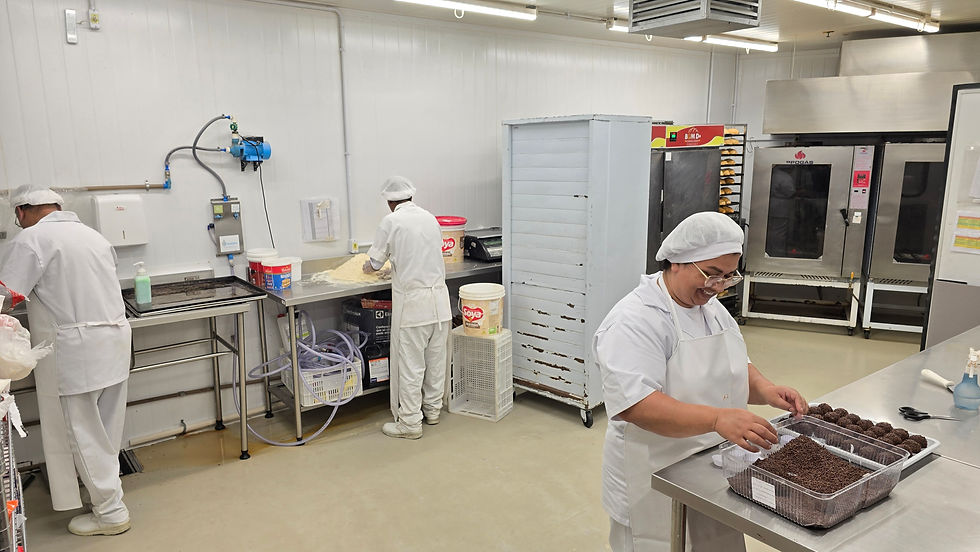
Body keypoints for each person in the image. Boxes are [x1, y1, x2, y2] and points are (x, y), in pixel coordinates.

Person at [595, 211, 807, 552]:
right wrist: (717, 419)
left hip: (711, 466)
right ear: (676, 261)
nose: (718, 286)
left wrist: (766, 389)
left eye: (728, 276)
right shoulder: (635, 321)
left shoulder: (710, 307)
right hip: (654, 473)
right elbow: (637, 405)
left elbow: (734, 366)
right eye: (711, 274)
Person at [0, 186, 132, 536]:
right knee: (105, 430)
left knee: (83, 433)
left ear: (23, 212)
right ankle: (105, 496)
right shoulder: (93, 236)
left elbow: (6, 296)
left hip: (78, 348)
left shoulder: (32, 240)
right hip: (115, 340)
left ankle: (110, 512)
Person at [362, 176, 451, 439]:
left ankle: (410, 423)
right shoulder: (430, 218)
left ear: (390, 201)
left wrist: (369, 267)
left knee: (411, 366)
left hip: (414, 307)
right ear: (410, 196)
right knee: (435, 361)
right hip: (440, 304)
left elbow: (375, 263)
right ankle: (432, 411)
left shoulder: (392, 221)